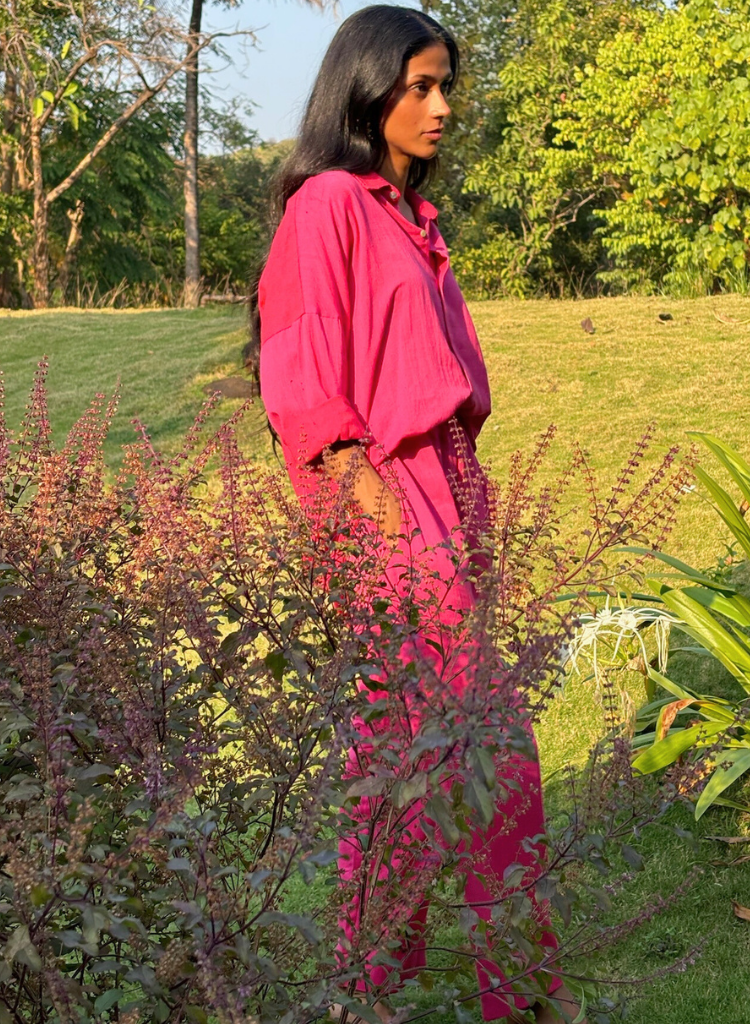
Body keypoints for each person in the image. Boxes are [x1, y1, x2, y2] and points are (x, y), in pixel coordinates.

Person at [254, 7, 584, 1022]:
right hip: (386, 489)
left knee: (402, 752)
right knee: (488, 741)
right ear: (366, 92)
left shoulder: (409, 215)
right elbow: (300, 360)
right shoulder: (329, 205)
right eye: (421, 87)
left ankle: (368, 988)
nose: (441, 107)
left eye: (447, 87)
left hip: (447, 479)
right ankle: (518, 992)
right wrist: (368, 497)